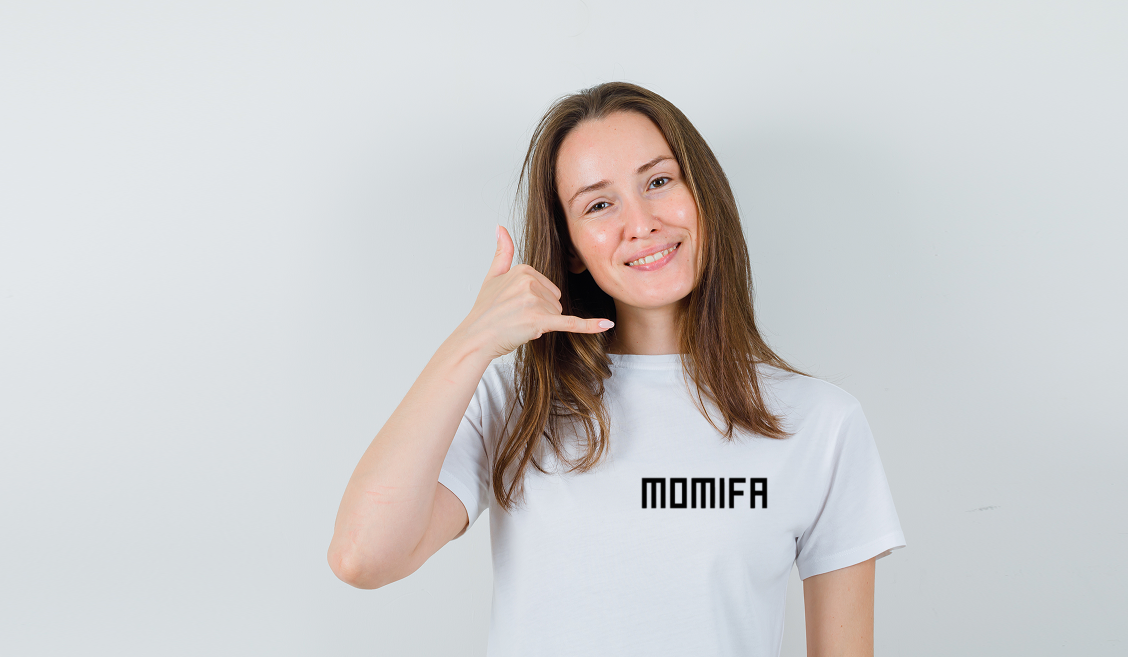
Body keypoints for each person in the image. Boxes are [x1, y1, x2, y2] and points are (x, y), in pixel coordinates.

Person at [327, 82, 906, 656]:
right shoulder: (516, 401)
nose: (642, 221)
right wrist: (473, 341)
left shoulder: (820, 423)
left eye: (658, 182)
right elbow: (362, 556)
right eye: (599, 204)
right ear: (572, 246)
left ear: (702, 194)